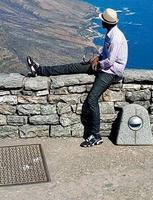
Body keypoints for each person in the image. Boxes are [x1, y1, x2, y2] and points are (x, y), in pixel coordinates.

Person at [26, 8, 128, 148]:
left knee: (92, 99)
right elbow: (105, 54)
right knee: (74, 67)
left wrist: (97, 64)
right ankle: (40, 70)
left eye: (102, 20)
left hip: (111, 72)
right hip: (103, 66)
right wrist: (97, 58)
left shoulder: (116, 38)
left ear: (105, 21)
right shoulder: (110, 33)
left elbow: (110, 62)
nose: (100, 22)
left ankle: (96, 135)